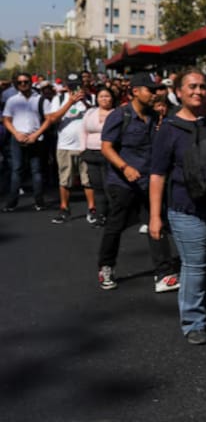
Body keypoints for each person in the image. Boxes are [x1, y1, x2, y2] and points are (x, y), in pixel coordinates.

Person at [149, 69, 206, 346]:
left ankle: (199, 296)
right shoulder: (169, 127)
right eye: (191, 86)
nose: (198, 91)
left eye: (202, 86)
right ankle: (193, 321)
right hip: (185, 207)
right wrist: (154, 216)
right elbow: (157, 174)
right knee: (195, 265)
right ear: (178, 92)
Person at [97, 72, 179, 292]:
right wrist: (125, 167)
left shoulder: (154, 116)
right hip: (122, 182)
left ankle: (164, 273)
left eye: (155, 90)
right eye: (149, 90)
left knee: (156, 221)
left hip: (148, 181)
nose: (154, 94)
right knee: (115, 225)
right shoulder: (119, 115)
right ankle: (106, 266)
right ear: (135, 91)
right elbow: (106, 147)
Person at [46, 80, 97, 224]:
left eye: (79, 86)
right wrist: (70, 102)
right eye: (72, 87)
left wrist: (85, 102)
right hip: (65, 146)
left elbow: (97, 116)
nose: (76, 90)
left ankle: (92, 209)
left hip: (86, 145)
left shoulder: (91, 98)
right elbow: (52, 118)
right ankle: (64, 209)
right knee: (65, 179)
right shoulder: (59, 99)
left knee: (88, 179)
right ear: (67, 88)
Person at [2, 72, 51, 211]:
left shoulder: (41, 99)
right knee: (16, 170)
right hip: (17, 138)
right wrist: (16, 134)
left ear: (31, 82)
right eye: (20, 82)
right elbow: (6, 120)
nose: (23, 84)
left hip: (36, 138)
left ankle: (39, 202)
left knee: (36, 171)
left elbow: (49, 119)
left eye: (26, 81)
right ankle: (11, 203)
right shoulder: (12, 100)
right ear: (16, 85)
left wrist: (36, 135)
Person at [81, 87, 115, 227]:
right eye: (101, 96)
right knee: (97, 185)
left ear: (112, 98)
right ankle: (101, 215)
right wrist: (83, 149)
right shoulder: (90, 112)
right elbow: (83, 131)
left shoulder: (116, 113)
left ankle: (114, 215)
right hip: (91, 153)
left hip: (109, 153)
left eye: (107, 96)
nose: (104, 99)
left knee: (109, 186)